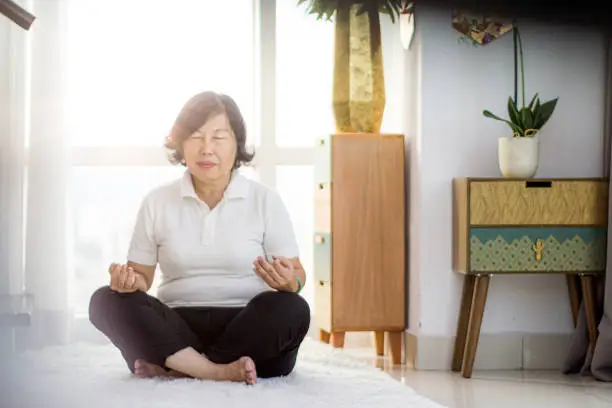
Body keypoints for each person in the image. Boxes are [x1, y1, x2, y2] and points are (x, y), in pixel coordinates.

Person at [88, 91, 310, 385]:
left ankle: (182, 369)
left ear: (237, 144)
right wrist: (127, 282)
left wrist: (289, 282)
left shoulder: (265, 200)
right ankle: (216, 371)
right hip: (176, 328)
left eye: (219, 137)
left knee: (293, 308)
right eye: (195, 136)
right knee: (105, 300)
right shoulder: (157, 201)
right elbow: (141, 277)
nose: (207, 149)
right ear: (180, 143)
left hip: (248, 327)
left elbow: (297, 275)